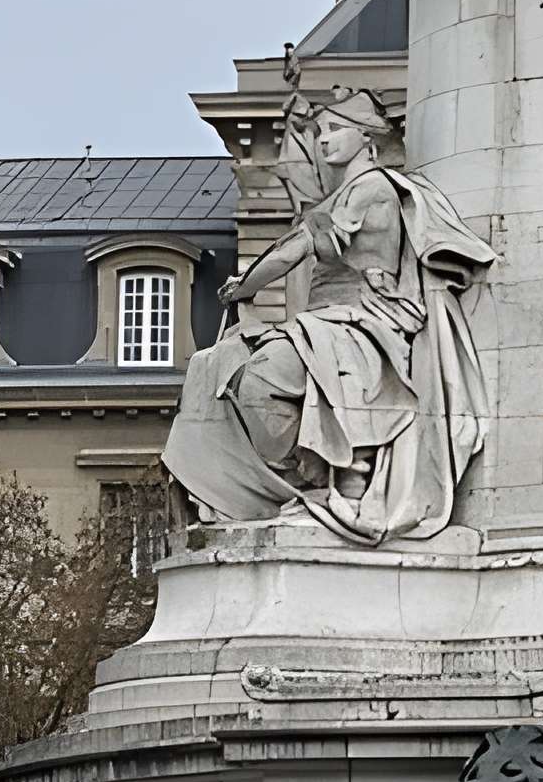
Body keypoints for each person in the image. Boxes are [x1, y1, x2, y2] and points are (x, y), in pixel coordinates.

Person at [163, 90, 492, 545]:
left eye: (335, 129)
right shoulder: (343, 194)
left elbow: (297, 248)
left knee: (266, 374)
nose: (323, 140)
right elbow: (292, 246)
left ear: (366, 137)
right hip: (329, 320)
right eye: (319, 131)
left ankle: (329, 480)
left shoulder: (373, 187)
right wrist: (245, 285)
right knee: (218, 366)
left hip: (368, 320)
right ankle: (295, 483)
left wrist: (247, 286)